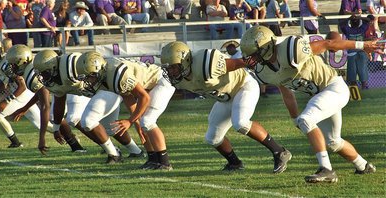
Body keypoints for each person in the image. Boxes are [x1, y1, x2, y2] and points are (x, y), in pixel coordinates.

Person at [240, 25, 382, 183]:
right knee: (334, 142)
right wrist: (294, 117)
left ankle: (326, 169)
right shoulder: (264, 71)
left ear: (265, 47)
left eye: (254, 54)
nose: (252, 59)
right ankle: (364, 166)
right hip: (320, 95)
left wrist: (363, 46)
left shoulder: (291, 49)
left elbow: (328, 43)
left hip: (333, 87)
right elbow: (286, 92)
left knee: (307, 119)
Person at [160, 41, 292, 172]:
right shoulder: (178, 79)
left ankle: (279, 152)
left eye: (173, 67)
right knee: (212, 138)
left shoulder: (203, 63)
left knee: (241, 123)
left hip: (243, 86)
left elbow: (236, 63)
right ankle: (235, 163)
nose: (170, 72)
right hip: (225, 97)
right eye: (168, 68)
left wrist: (249, 62)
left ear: (185, 61)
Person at [31, 50, 145, 163]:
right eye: (40, 74)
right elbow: (60, 102)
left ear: (53, 68)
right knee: (110, 126)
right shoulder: (55, 80)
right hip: (96, 93)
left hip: (107, 87)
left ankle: (114, 154)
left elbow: (90, 64)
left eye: (44, 73)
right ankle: (136, 151)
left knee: (88, 121)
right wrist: (56, 128)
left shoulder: (69, 66)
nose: (42, 77)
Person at [75, 52, 176, 169]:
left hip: (160, 81)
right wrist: (136, 122)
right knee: (143, 125)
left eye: (89, 76)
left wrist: (130, 121)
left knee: (148, 121)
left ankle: (164, 162)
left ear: (98, 70)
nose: (88, 81)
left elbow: (144, 97)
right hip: (149, 85)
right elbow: (127, 96)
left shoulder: (115, 73)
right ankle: (153, 159)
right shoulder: (106, 76)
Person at [4, 44, 85, 154]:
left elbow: (45, 105)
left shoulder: (34, 72)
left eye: (13, 64)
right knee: (59, 117)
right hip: (65, 90)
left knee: (74, 118)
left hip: (74, 87)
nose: (12, 67)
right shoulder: (32, 68)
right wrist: (26, 107)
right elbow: (40, 94)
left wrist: (42, 138)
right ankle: (76, 145)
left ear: (22, 61)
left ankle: (91, 142)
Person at [340, 14, 371, 89]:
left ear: (351, 23)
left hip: (352, 53)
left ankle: (353, 86)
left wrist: (349, 18)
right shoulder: (362, 29)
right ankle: (364, 85)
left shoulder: (348, 30)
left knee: (352, 70)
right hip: (361, 51)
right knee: (363, 68)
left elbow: (341, 24)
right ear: (359, 22)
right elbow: (369, 19)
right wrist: (359, 17)